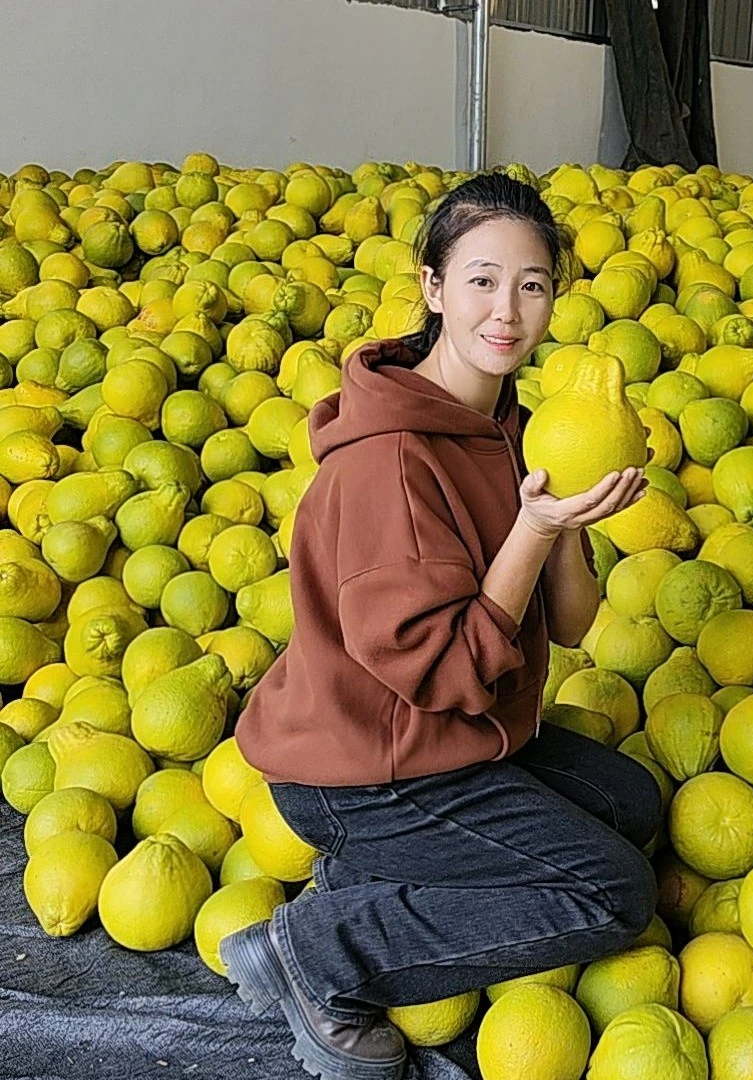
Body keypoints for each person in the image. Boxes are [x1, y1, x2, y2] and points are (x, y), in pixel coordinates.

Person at [221, 172, 663, 1080]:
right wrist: (533, 528)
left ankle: (367, 884)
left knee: (633, 806)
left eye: (532, 285)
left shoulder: (515, 424)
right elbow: (447, 671)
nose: (508, 311)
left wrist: (564, 524)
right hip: (363, 770)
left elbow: (572, 625)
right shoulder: (389, 464)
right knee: (615, 893)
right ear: (432, 286)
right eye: (482, 281)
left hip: (448, 735)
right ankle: (321, 955)